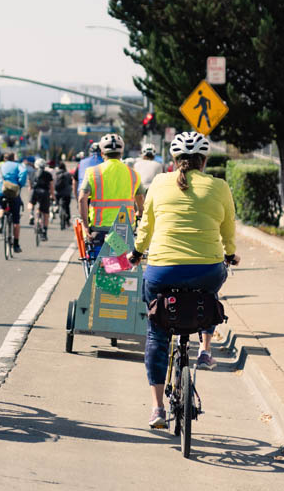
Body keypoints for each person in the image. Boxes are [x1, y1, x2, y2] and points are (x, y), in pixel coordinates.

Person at [128, 131, 239, 430]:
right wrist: (230, 254)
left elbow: (147, 225)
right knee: (210, 293)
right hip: (207, 268)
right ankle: (205, 348)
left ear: (175, 160)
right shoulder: (220, 186)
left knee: (156, 332)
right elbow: (228, 229)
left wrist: (137, 252)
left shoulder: (161, 184)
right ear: (204, 162)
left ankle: (157, 409)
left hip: (163, 270)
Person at [78, 133, 145, 258]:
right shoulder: (133, 174)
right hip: (124, 230)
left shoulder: (93, 172)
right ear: (121, 153)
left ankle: (104, 272)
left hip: (100, 230)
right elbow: (140, 198)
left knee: (99, 265)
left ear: (102, 153)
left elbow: (82, 198)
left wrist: (85, 226)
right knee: (119, 264)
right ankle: (115, 271)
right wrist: (140, 212)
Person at [0, 151, 28, 253]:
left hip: (0, 191)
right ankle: (16, 244)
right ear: (13, 158)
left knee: (1, 207)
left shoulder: (0, 167)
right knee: (16, 220)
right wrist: (20, 184)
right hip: (13, 192)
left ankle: (2, 221)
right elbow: (24, 172)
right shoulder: (18, 165)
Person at [28, 157, 53, 233]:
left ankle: (31, 214)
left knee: (30, 203)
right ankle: (44, 231)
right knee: (45, 212)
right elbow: (51, 186)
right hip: (45, 193)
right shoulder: (48, 174)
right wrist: (52, 196)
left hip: (34, 191)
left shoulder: (32, 173)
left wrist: (30, 193)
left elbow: (30, 187)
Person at [53, 161, 74, 225]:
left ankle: (56, 206)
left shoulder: (56, 173)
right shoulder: (68, 174)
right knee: (67, 206)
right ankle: (67, 219)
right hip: (67, 193)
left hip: (58, 192)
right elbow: (71, 183)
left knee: (57, 201)